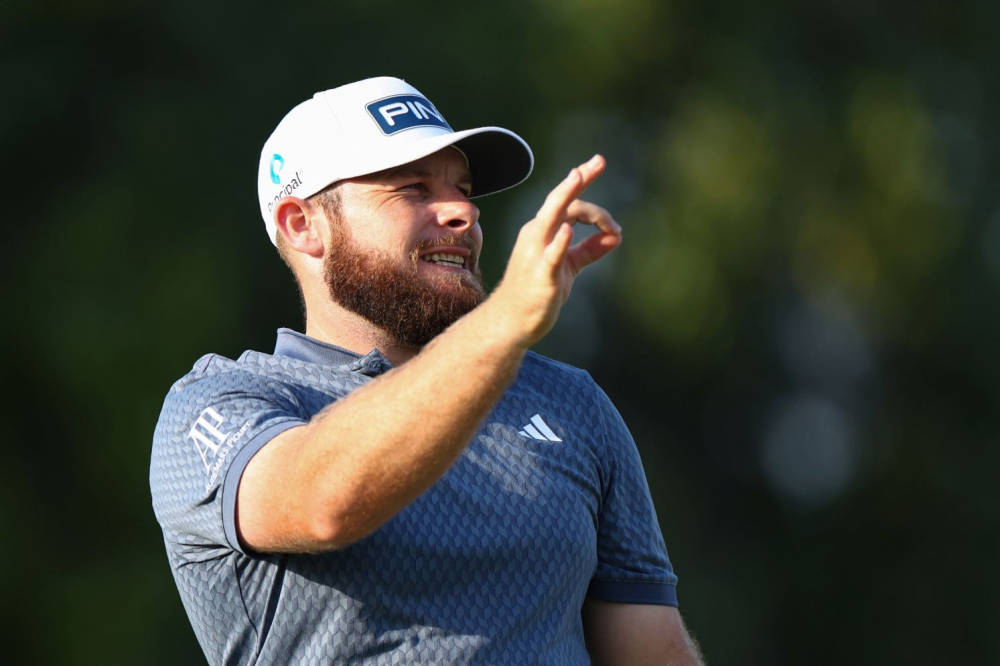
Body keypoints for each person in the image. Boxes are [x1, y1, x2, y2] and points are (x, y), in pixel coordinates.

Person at [150, 76, 705, 666]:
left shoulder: (572, 405)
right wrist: (503, 321)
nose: (463, 211)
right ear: (301, 225)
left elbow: (655, 655)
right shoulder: (217, 405)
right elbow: (325, 503)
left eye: (465, 191)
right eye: (413, 189)